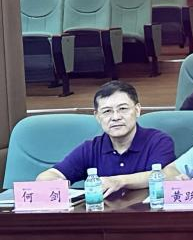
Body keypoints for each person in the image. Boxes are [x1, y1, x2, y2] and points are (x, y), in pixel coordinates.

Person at [37, 81, 176, 195]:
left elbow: (165, 175)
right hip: (100, 218)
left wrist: (118, 181)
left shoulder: (158, 141)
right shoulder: (91, 148)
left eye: (123, 109)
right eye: (107, 111)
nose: (115, 117)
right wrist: (52, 182)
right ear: (97, 117)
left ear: (137, 110)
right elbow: (50, 175)